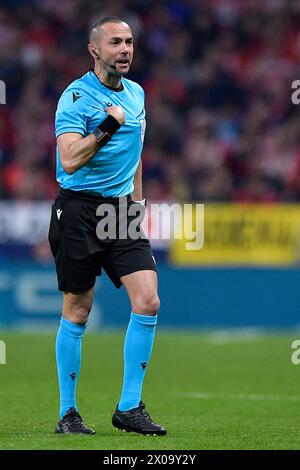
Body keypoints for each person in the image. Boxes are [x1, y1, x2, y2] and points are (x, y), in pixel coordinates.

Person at [48, 16, 166, 436]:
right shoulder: (76, 97)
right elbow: (68, 159)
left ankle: (129, 407)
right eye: (115, 42)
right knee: (78, 310)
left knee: (148, 300)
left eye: (130, 42)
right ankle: (68, 414)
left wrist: (137, 205)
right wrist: (107, 125)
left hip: (120, 213)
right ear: (94, 50)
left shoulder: (136, 94)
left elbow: (135, 156)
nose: (125, 49)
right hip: (78, 211)